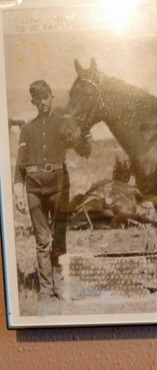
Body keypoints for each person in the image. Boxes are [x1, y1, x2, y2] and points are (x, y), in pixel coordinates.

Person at [13, 79, 92, 301]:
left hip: (58, 188)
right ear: (33, 102)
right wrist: (18, 193)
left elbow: (83, 149)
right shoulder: (27, 130)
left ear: (51, 97)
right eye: (37, 99)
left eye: (45, 97)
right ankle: (46, 290)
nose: (42, 102)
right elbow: (20, 164)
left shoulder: (62, 124)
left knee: (58, 239)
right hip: (34, 190)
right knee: (41, 241)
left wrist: (85, 136)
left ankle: (60, 287)